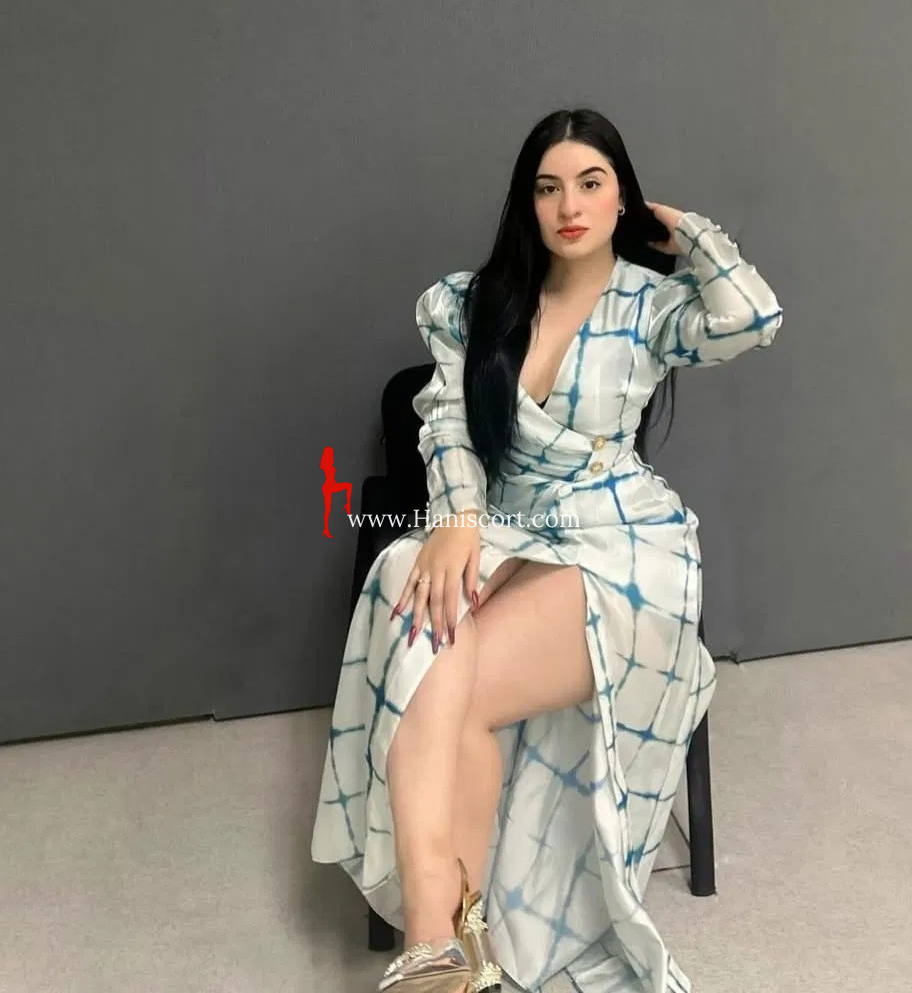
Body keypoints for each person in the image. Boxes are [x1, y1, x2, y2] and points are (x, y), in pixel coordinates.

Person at [311, 107, 784, 993]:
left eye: (591, 184)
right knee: (423, 628)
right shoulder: (474, 303)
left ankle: (435, 955)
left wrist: (683, 230)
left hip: (622, 546)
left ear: (621, 197)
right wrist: (456, 519)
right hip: (505, 528)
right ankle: (445, 951)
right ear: (526, 203)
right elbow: (448, 422)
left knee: (433, 685)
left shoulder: (650, 305)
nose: (569, 206)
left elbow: (752, 316)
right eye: (548, 187)